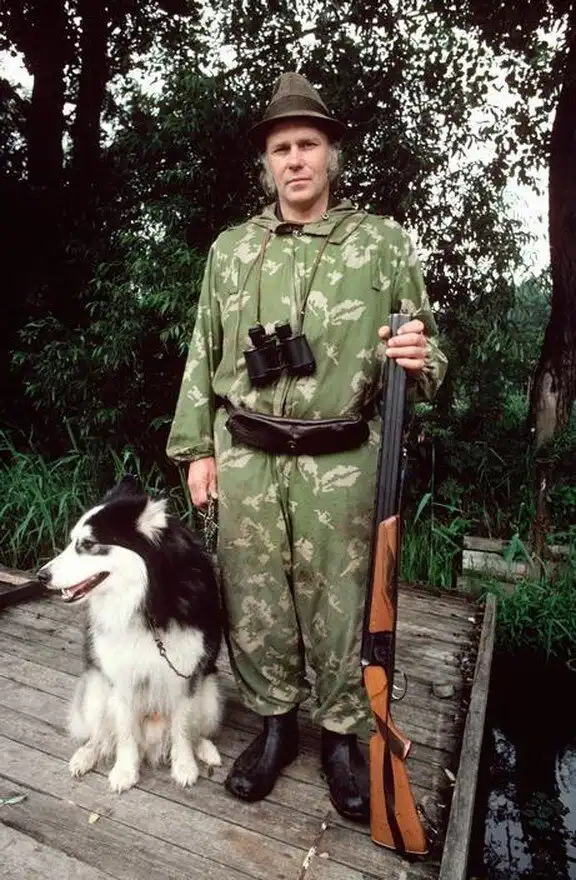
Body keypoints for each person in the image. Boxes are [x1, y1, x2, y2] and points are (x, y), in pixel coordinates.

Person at [167, 72, 447, 822]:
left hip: (343, 461)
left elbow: (428, 354)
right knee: (254, 597)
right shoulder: (233, 250)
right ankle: (275, 729)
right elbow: (203, 352)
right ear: (266, 163)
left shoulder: (380, 243)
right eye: (281, 148)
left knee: (343, 604)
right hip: (248, 457)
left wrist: (420, 357)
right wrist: (197, 452)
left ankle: (342, 740)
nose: (295, 159)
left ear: (331, 155)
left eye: (308, 144)